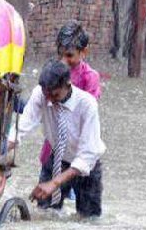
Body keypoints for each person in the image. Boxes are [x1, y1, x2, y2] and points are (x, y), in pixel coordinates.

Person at [8, 60, 106, 218]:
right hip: (56, 158)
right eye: (47, 95)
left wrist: (54, 183)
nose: (50, 101)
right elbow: (21, 129)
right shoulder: (40, 94)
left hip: (86, 167)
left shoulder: (87, 105)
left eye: (55, 95)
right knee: (45, 214)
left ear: (68, 85)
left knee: (88, 220)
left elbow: (87, 155)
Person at [39, 21, 102, 201]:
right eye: (61, 55)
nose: (64, 61)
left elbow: (84, 114)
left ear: (84, 53)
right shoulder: (51, 71)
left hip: (79, 151)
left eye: (70, 55)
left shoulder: (90, 79)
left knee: (86, 215)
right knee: (47, 208)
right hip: (55, 150)